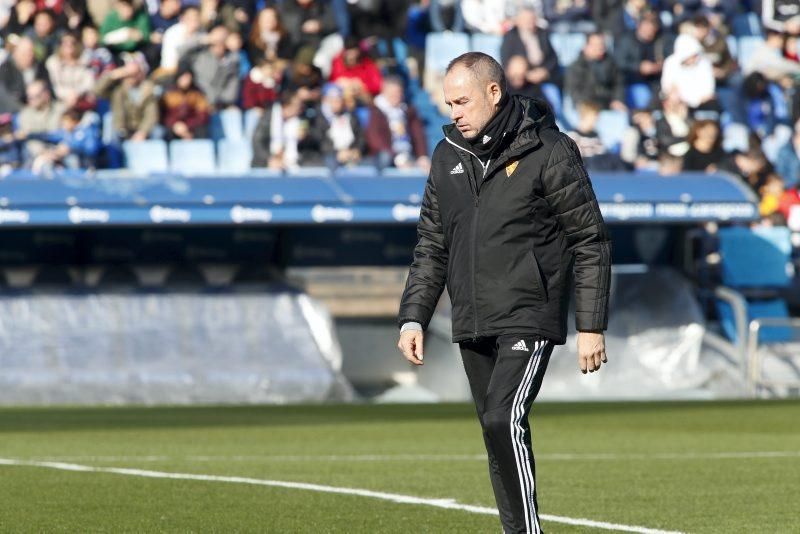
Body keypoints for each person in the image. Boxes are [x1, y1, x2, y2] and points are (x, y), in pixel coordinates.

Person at [396, 52, 611, 534]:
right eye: (448, 103)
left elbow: (590, 239)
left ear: (494, 93)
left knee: (501, 418)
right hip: (473, 317)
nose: (454, 112)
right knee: (497, 435)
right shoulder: (446, 154)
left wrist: (590, 325)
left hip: (528, 312)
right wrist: (414, 317)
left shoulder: (550, 150)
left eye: (462, 101)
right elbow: (432, 244)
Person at [365, 76, 429, 171]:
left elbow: (418, 135)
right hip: (387, 156)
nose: (396, 96)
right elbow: (375, 138)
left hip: (407, 154)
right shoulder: (375, 111)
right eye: (392, 93)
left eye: (398, 93)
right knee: (385, 157)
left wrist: (422, 155)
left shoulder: (408, 111)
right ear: (384, 92)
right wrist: (396, 157)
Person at [565, 32, 626, 111]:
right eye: (595, 45)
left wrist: (618, 100)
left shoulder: (612, 64)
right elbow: (574, 91)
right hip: (587, 105)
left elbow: (618, 84)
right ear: (585, 46)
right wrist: (587, 105)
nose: (600, 48)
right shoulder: (576, 67)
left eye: (602, 45)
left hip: (608, 104)